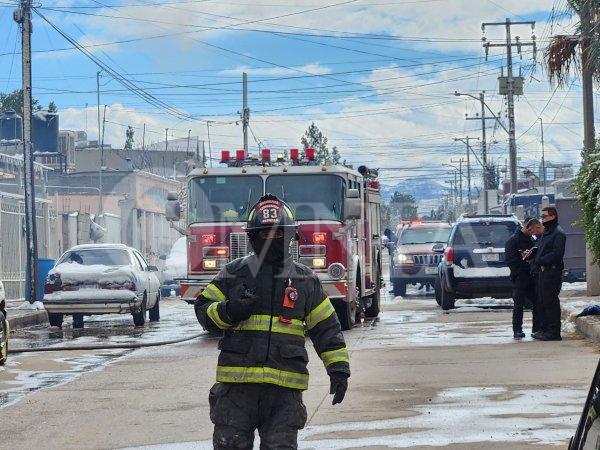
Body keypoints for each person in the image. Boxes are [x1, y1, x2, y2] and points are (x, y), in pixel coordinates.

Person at [195, 194, 350, 449]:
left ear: (290, 236)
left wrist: (339, 370)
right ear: (253, 236)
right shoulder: (233, 274)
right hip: (237, 391)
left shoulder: (305, 281)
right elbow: (203, 312)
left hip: (283, 395)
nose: (271, 239)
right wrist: (230, 310)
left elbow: (327, 329)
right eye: (264, 233)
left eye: (277, 233)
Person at [532, 206, 566, 341]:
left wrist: (540, 260)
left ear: (552, 216)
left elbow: (557, 254)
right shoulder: (547, 232)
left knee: (550, 301)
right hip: (543, 272)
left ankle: (554, 331)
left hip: (552, 272)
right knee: (543, 301)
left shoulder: (558, 233)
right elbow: (542, 249)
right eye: (542, 217)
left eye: (544, 216)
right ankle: (545, 329)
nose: (542, 219)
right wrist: (533, 256)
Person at [505, 218, 544, 339]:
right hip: (519, 278)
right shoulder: (513, 241)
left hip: (531, 278)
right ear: (527, 227)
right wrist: (524, 267)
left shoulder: (531, 240)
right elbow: (511, 261)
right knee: (518, 304)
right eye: (532, 230)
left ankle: (536, 328)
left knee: (537, 302)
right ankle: (517, 330)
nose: (533, 233)